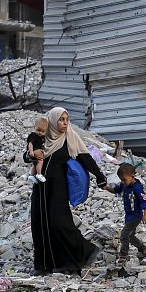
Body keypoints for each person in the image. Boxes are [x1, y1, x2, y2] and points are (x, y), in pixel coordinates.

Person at [26, 106, 108, 275]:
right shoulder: (43, 136)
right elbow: (27, 155)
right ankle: (43, 266)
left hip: (58, 188)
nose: (64, 123)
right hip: (40, 188)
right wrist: (32, 155)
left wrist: (100, 178)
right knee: (39, 223)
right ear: (53, 121)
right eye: (61, 120)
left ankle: (79, 256)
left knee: (59, 223)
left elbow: (86, 158)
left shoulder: (70, 138)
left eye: (66, 119)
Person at [110, 163, 146, 264]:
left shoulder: (137, 188)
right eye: (121, 180)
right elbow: (116, 190)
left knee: (124, 235)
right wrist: (107, 188)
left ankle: (123, 255)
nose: (123, 182)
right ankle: (143, 248)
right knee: (130, 236)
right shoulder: (124, 185)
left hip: (136, 215)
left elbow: (144, 201)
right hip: (128, 215)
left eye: (124, 180)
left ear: (132, 176)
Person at [24, 116, 48, 184]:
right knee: (40, 161)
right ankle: (39, 174)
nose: (40, 133)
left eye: (43, 131)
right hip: (33, 151)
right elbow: (30, 143)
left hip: (37, 151)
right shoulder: (33, 135)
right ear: (34, 127)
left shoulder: (43, 137)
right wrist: (31, 151)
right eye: (38, 130)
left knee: (35, 164)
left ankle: (31, 175)